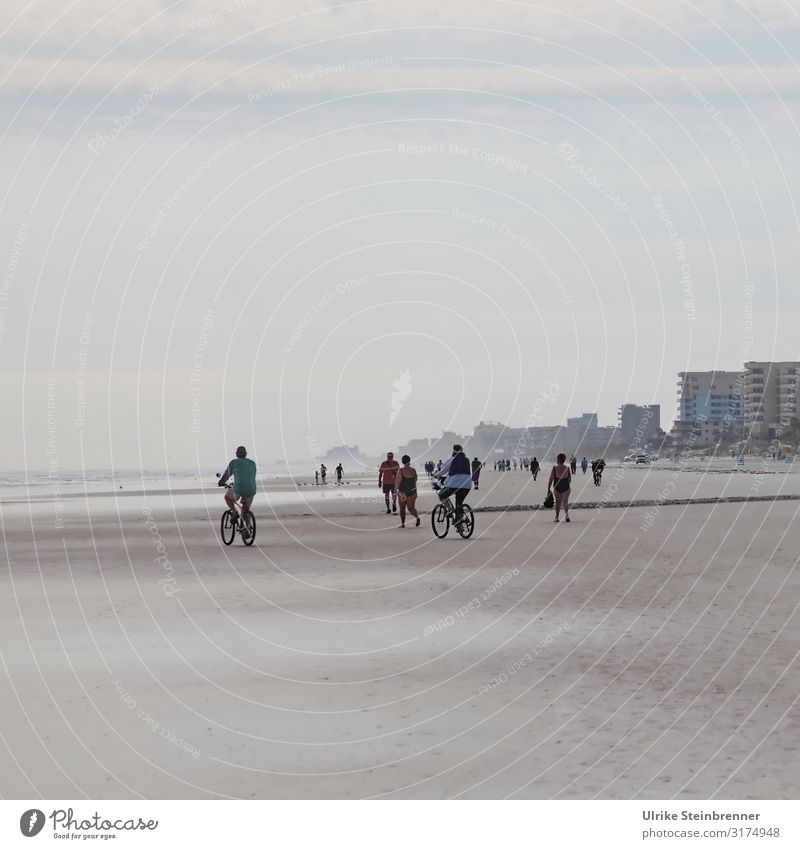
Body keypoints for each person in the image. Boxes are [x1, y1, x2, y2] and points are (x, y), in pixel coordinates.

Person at [218, 446, 257, 538]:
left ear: (236, 454)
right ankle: (248, 526)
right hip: (251, 489)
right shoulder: (252, 463)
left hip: (239, 489)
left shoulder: (234, 463)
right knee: (245, 510)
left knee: (227, 497)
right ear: (246, 454)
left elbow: (226, 474)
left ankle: (235, 513)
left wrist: (221, 482)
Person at [436, 444, 472, 525]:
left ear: (453, 451)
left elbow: (443, 470)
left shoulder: (452, 459)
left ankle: (449, 510)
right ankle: (459, 521)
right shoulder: (467, 460)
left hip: (454, 485)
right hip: (467, 485)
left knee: (441, 494)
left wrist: (436, 475)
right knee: (459, 503)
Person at [396, 455, 420, 528]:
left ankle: (403, 524)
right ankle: (417, 517)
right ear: (409, 461)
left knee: (402, 508)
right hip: (412, 492)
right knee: (411, 508)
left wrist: (395, 491)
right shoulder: (413, 470)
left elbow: (397, 482)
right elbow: (415, 480)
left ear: (402, 462)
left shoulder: (400, 470)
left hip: (402, 492)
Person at [547, 452, 572, 523]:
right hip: (566, 486)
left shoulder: (554, 468)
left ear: (558, 459)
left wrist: (548, 488)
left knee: (558, 502)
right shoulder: (567, 468)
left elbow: (551, 479)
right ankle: (567, 516)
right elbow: (569, 479)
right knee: (565, 502)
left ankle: (557, 517)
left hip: (557, 487)